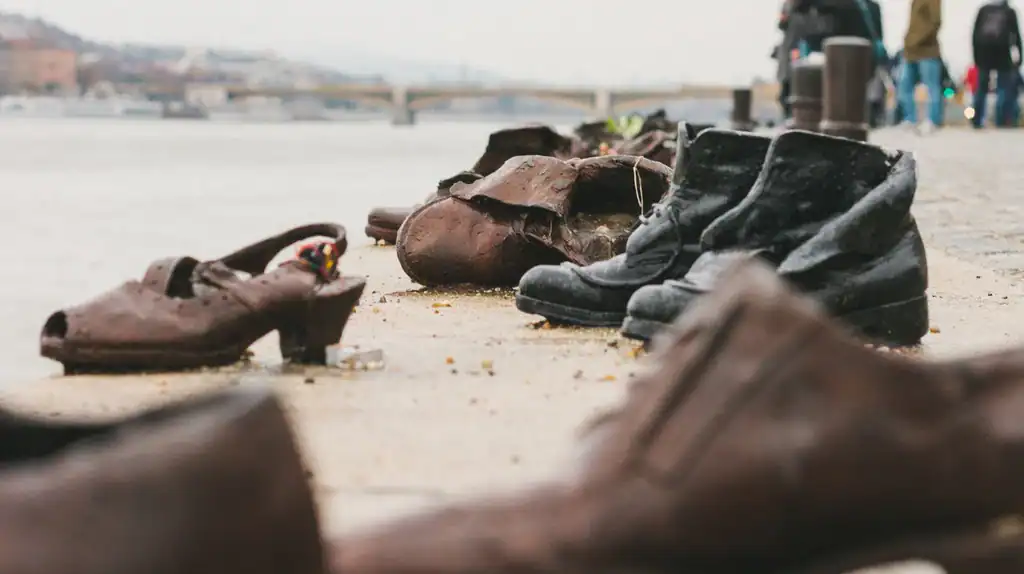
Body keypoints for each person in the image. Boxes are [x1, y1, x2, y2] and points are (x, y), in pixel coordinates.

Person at [970, 0, 1022, 128]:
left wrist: (975, 56)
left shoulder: (983, 9)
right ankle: (1002, 120)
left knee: (981, 88)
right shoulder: (1010, 12)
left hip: (983, 53)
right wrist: (1020, 56)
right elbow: (1016, 35)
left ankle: (977, 120)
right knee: (1003, 88)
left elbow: (975, 34)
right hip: (1002, 52)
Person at [899, 0, 944, 134]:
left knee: (932, 87)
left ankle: (932, 121)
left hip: (927, 50)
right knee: (904, 84)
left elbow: (936, 21)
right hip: (910, 51)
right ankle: (910, 119)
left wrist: (918, 39)